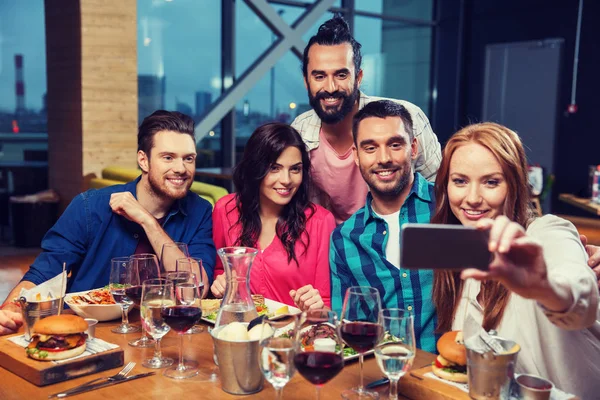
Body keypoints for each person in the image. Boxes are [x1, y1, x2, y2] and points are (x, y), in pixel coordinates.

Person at [0, 110, 216, 335]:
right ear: (143, 160)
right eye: (168, 157)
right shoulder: (89, 206)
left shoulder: (199, 211)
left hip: (164, 336)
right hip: (90, 332)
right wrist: (10, 309)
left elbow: (195, 290)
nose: (181, 168)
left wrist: (146, 221)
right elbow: (44, 272)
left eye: (188, 158)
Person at [431, 122, 600, 398]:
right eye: (460, 181)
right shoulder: (464, 258)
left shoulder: (548, 232)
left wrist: (543, 287)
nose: (472, 198)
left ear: (516, 185)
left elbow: (578, 293)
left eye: (491, 182)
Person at [291, 15, 442, 223]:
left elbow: (442, 190)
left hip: (404, 233)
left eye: (341, 75)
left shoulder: (405, 118)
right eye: (319, 76)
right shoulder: (299, 131)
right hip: (337, 244)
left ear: (358, 78)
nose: (331, 87)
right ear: (307, 81)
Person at [329, 100, 437, 352]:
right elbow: (347, 329)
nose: (384, 158)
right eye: (370, 148)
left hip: (451, 378)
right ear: (356, 156)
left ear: (413, 148)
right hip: (381, 376)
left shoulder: (449, 207)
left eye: (395, 144)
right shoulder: (345, 239)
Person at [210, 123, 335, 311]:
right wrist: (219, 284)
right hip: (240, 331)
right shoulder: (225, 209)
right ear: (255, 168)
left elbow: (326, 305)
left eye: (295, 169)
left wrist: (316, 306)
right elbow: (219, 270)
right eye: (274, 168)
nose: (286, 179)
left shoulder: (321, 221)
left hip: (292, 335)